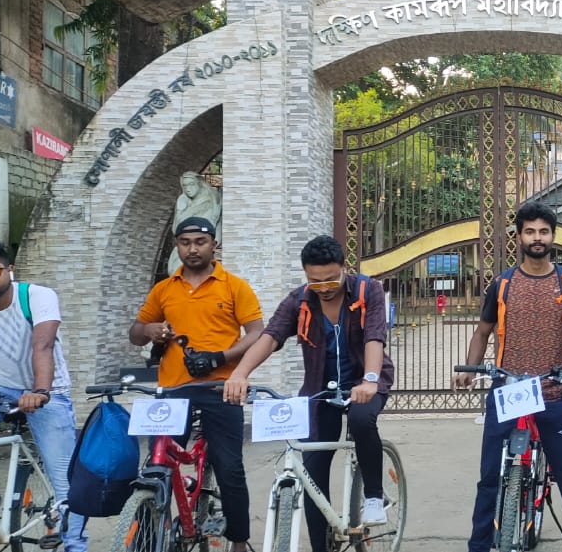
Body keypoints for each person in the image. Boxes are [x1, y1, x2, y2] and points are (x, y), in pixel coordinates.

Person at [223, 235, 393, 552]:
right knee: (313, 471)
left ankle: (372, 495)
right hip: (320, 388)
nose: (325, 287)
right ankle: (321, 546)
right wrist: (240, 373)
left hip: (365, 380)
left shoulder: (367, 290)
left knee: (361, 419)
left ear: (344, 268)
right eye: (316, 282)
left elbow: (374, 337)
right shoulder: (300, 300)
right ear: (306, 276)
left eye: (332, 279)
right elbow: (271, 337)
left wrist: (369, 380)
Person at [453, 201, 562, 552]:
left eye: (544, 231)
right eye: (530, 231)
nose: (537, 238)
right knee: (489, 477)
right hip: (507, 392)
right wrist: (471, 369)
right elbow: (483, 331)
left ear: (553, 236)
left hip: (554, 393)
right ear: (518, 236)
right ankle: (478, 545)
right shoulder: (502, 284)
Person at [129, 217, 264, 552]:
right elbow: (135, 332)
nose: (192, 249)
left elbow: (258, 333)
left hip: (220, 388)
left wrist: (220, 358)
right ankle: (147, 538)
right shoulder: (164, 288)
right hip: (172, 391)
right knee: (156, 466)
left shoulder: (233, 285)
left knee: (229, 466)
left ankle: (239, 540)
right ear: (177, 245)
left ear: (213, 245)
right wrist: (149, 331)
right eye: (185, 242)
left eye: (199, 242)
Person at [0, 240, 87, 551]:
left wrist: (40, 391)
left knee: (65, 483)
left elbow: (43, 346)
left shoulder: (36, 297)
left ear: (9, 271)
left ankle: (75, 546)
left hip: (46, 391)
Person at [169, 172, 222, 272]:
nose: (188, 189)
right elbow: (176, 229)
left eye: (191, 184)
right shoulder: (183, 200)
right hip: (184, 244)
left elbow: (212, 224)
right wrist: (181, 209)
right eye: (185, 186)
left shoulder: (211, 200)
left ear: (199, 183)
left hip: (203, 245)